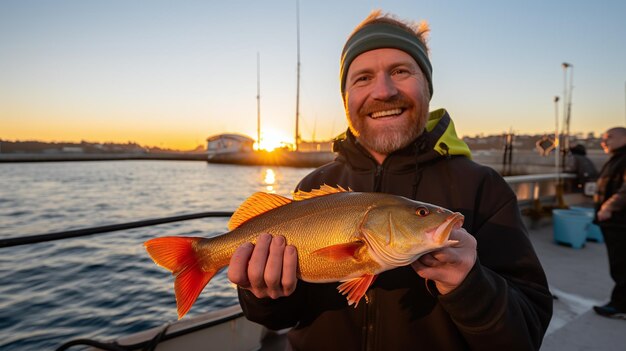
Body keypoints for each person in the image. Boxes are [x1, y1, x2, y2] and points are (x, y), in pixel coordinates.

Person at [228, 10, 552, 350]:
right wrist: (263, 294)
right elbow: (279, 319)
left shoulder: (484, 189)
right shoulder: (312, 186)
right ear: (346, 98)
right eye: (363, 78)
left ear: (427, 87)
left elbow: (524, 338)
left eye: (401, 71)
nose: (383, 91)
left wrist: (469, 284)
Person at [593, 127, 626, 319]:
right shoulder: (617, 158)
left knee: (621, 264)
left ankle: (620, 305)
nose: (604, 142)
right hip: (615, 223)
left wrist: (609, 207)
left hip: (620, 222)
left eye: (610, 137)